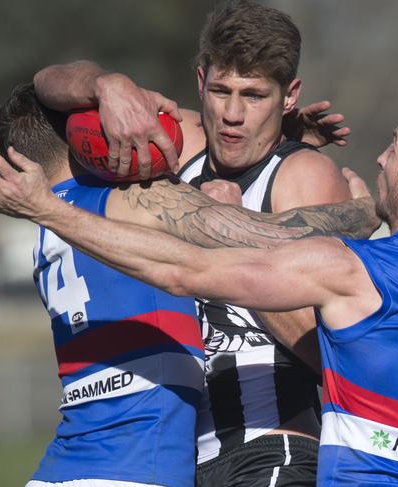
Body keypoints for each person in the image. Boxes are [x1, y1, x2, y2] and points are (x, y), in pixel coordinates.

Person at [0, 86, 398, 486]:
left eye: (395, 149)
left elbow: (186, 272)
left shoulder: (355, 270)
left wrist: (44, 209)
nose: (380, 158)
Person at [33, 2, 354, 484]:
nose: (232, 114)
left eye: (255, 95)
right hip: (179, 460)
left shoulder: (303, 175)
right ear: (200, 81)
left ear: (289, 97)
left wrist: (233, 235)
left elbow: (325, 353)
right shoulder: (172, 140)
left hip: (269, 449)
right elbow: (46, 85)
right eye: (221, 90)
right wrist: (105, 85)